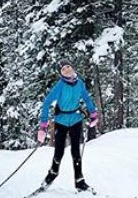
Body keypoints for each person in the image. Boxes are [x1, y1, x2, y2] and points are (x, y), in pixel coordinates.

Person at [37, 61, 99, 191]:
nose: (66, 70)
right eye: (63, 69)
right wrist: (43, 125)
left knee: (76, 152)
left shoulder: (80, 83)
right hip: (61, 121)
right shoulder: (60, 86)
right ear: (60, 73)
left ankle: (79, 181)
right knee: (59, 152)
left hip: (76, 120)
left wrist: (93, 113)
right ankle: (52, 174)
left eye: (68, 67)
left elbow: (87, 99)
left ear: (72, 67)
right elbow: (47, 102)